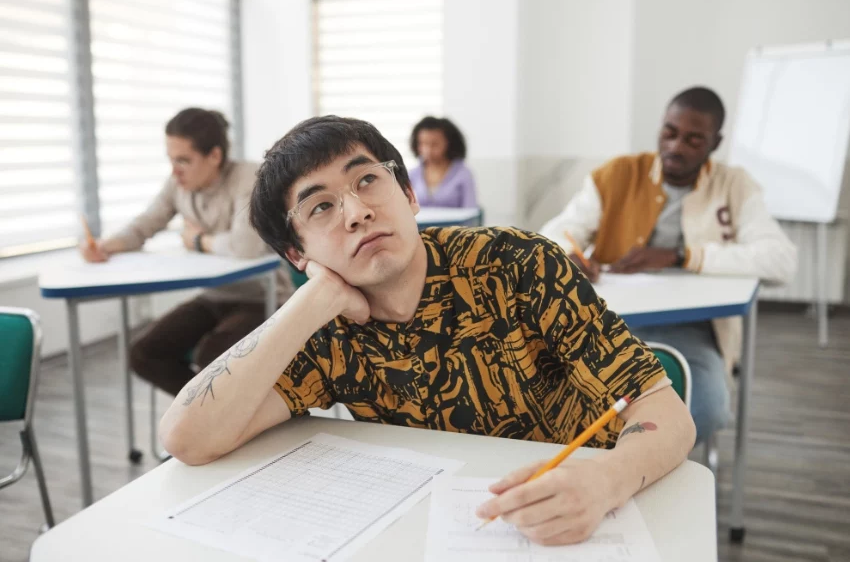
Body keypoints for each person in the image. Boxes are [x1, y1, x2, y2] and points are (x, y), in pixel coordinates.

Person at [159, 115, 695, 546]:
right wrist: (310, 302)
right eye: (321, 206)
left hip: (590, 517)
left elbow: (663, 411)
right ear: (297, 254)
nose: (356, 212)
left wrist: (607, 481)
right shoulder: (324, 328)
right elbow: (187, 438)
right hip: (435, 532)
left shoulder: (517, 266)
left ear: (409, 195)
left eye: (367, 179)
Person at [540, 87, 797, 444]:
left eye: (693, 139)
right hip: (609, 320)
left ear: (714, 142)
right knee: (557, 400)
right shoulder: (618, 175)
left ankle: (645, 467)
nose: (676, 147)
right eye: (669, 133)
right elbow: (555, 233)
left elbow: (781, 260)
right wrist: (569, 256)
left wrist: (683, 256)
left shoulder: (733, 185)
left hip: (690, 328)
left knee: (705, 405)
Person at [79, 108, 294, 396]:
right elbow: (146, 224)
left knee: (212, 358)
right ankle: (207, 416)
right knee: (144, 353)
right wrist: (105, 246)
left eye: (183, 161)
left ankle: (219, 417)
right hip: (214, 296)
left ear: (215, 156)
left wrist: (197, 240)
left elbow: (245, 247)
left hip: (263, 298)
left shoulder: (249, 178)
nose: (174, 170)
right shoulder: (179, 184)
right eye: (170, 160)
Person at [408, 116, 477, 208]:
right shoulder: (412, 175)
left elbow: (470, 210)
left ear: (449, 143)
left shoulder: (463, 174)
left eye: (435, 144)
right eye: (423, 144)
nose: (428, 150)